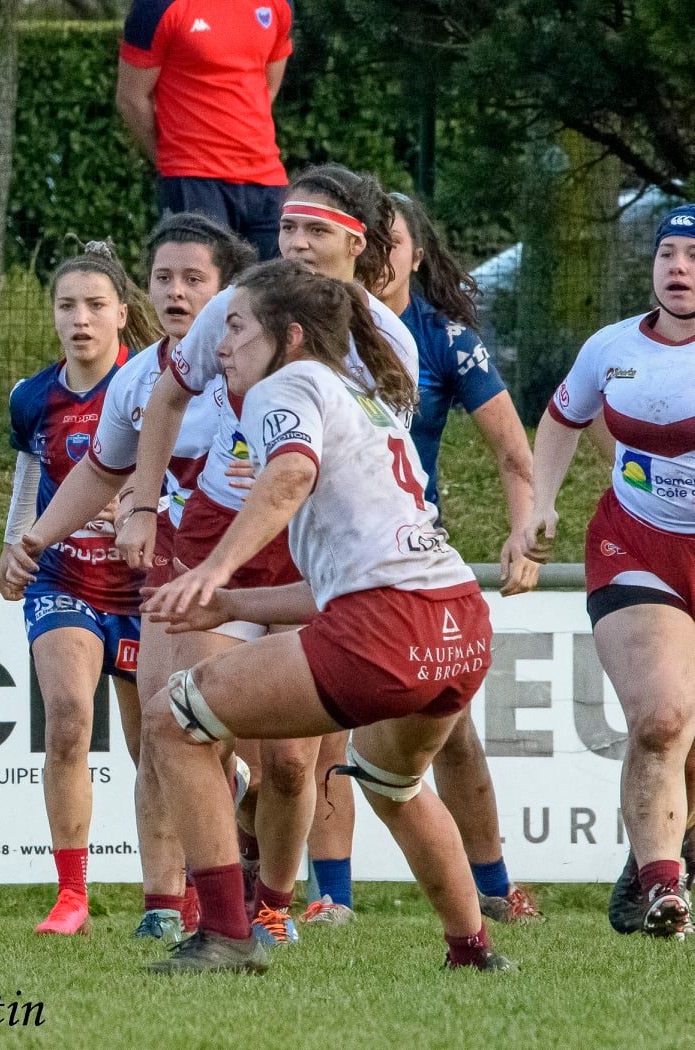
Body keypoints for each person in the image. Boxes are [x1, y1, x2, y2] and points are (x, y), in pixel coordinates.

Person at [141, 259, 509, 973]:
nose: (222, 344)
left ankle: (226, 933)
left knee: (170, 719)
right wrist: (233, 602)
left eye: (238, 325)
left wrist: (215, 565)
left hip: (387, 629)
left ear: (292, 335)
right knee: (394, 785)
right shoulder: (362, 401)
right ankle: (473, 950)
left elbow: (290, 474)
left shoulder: (287, 384)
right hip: (460, 626)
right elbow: (347, 579)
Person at [104, 163, 418, 946]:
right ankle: (205, 913)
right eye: (287, 227)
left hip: (316, 558)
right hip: (222, 534)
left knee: (289, 764)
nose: (298, 242)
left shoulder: (388, 342)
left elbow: (347, 476)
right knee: (179, 718)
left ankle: (271, 903)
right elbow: (168, 398)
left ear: (358, 244)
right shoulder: (235, 311)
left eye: (316, 230)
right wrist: (145, 507)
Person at [296, 190, 541, 925]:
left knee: (452, 726)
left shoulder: (442, 338)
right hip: (320, 552)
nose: (375, 254)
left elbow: (512, 451)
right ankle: (329, 898)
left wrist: (523, 533)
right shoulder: (302, 328)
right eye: (365, 239)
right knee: (327, 723)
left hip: (407, 559)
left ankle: (493, 886)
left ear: (417, 256)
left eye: (389, 242)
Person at [31, 213, 255, 942]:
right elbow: (100, 472)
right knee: (167, 728)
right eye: (164, 277)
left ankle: (262, 896)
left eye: (195, 278)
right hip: (168, 578)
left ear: (225, 290)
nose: (178, 292)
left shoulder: (259, 368)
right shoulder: (137, 379)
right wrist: (33, 539)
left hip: (257, 573)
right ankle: (169, 905)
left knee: (255, 755)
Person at [523, 204, 695, 939]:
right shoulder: (611, 347)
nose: (679, 268)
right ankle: (663, 887)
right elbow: (563, 417)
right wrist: (538, 504)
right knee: (660, 720)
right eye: (668, 254)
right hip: (636, 544)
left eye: (693, 255)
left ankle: (663, 848)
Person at [0, 242, 160, 935]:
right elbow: (31, 475)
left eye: (96, 305)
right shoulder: (32, 396)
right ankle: (72, 898)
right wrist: (15, 542)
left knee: (157, 748)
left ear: (123, 312)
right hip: (64, 578)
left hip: (148, 588)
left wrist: (134, 512)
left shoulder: (156, 386)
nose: (81, 319)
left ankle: (170, 900)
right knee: (66, 719)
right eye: (67, 306)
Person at [116, 0, 293, 260]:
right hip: (193, 179)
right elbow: (131, 98)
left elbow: (267, 87)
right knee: (201, 294)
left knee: (278, 295)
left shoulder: (280, 4)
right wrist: (172, 159)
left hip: (268, 180)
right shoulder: (156, 6)